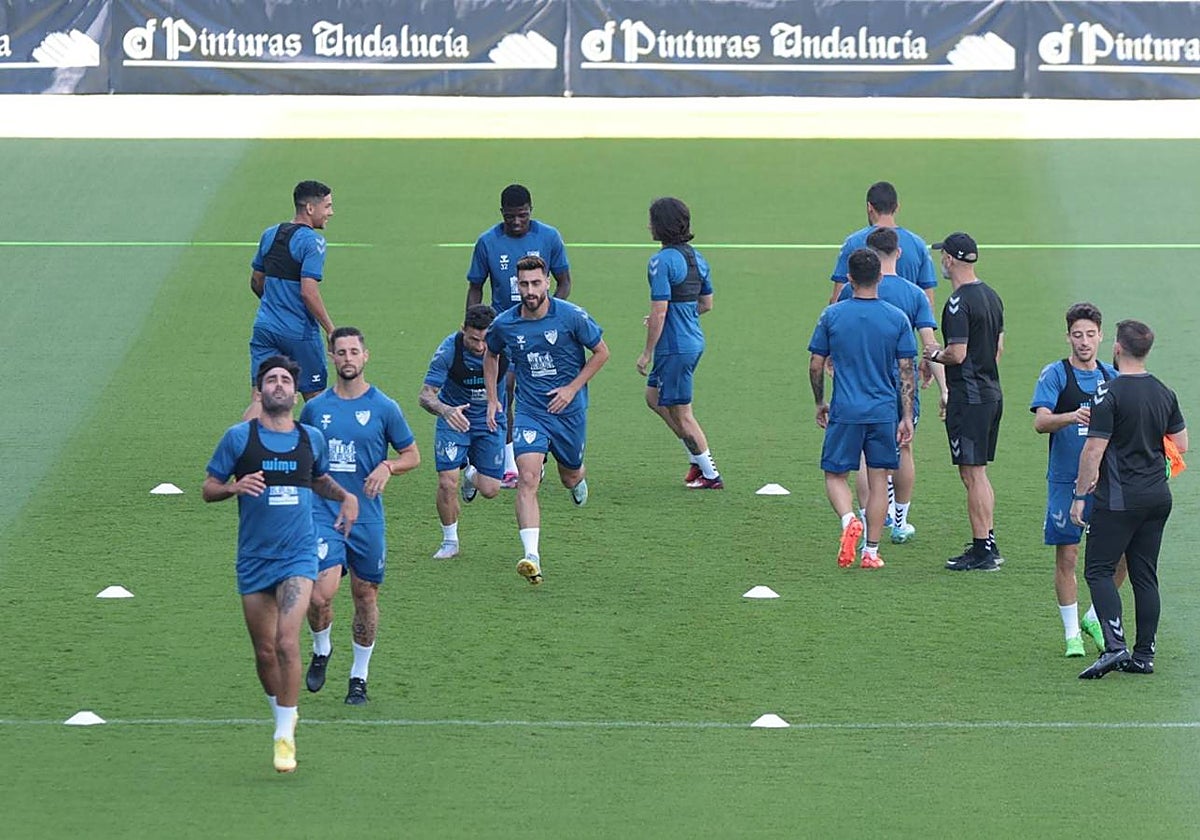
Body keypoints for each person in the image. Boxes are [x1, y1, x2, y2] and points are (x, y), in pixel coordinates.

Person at [203, 355, 359, 773]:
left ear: (293, 391)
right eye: (270, 379)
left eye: (285, 380)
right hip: (254, 560)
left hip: (298, 556)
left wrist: (345, 496)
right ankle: (282, 715)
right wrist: (234, 487)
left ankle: (284, 734)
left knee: (288, 643)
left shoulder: (310, 439)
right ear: (260, 391)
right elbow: (208, 487)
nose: (278, 385)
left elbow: (318, 478)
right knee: (265, 652)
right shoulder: (239, 439)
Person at [297, 328, 419, 706]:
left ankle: (358, 677)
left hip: (367, 519)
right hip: (324, 514)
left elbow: (412, 455)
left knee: (365, 595)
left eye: (354, 351)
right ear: (332, 359)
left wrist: (388, 466)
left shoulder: (385, 408)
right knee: (319, 595)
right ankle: (322, 648)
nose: (348, 358)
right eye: (340, 352)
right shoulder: (315, 409)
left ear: (366, 356)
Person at [484, 255, 609, 584]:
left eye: (536, 283)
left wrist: (571, 388)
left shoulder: (571, 316)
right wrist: (494, 399)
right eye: (523, 284)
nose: (530, 290)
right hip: (530, 411)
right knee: (527, 478)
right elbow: (491, 353)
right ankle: (531, 556)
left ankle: (577, 478)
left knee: (569, 475)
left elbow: (602, 352)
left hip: (569, 412)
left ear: (548, 283)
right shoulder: (505, 323)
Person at [1073, 320, 1187, 679]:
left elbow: (1093, 450)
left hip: (1120, 499)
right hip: (1157, 497)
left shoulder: (1109, 394)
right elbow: (1181, 445)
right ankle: (1144, 655)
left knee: (1098, 570)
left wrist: (1079, 495)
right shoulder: (1164, 392)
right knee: (1144, 575)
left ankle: (1114, 646)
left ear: (1117, 348)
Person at [808, 248, 916, 570]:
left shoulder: (832, 315)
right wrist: (906, 415)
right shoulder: (897, 318)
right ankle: (871, 552)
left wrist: (819, 401)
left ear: (849, 279)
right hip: (883, 411)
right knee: (880, 479)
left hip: (846, 410)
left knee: (835, 475)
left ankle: (848, 519)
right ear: (880, 277)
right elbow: (906, 370)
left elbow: (816, 365)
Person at [837, 226, 944, 541]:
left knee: (864, 455)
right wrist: (944, 385)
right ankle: (900, 522)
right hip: (900, 381)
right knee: (903, 448)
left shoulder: (850, 290)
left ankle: (867, 519)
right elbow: (930, 344)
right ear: (899, 253)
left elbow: (837, 328)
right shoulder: (914, 294)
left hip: (859, 381)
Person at [1030, 303, 1125, 657]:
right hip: (1065, 479)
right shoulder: (1056, 374)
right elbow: (1040, 422)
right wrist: (1071, 416)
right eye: (1077, 335)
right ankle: (1071, 634)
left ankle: (1093, 616)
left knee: (1122, 555)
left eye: (1090, 334)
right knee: (1067, 556)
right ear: (1068, 336)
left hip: (1107, 481)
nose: (1084, 341)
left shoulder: (1112, 378)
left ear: (1101, 336)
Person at [467, 184, 572, 487]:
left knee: (545, 390)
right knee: (507, 392)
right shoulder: (488, 242)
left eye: (522, 216)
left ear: (531, 211)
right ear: (502, 213)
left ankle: (543, 451)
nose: (516, 222)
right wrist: (473, 327)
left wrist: (554, 313)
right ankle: (513, 461)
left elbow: (564, 281)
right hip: (506, 330)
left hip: (543, 330)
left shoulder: (548, 237)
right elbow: (476, 286)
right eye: (510, 216)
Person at [924, 232, 1005, 572]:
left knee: (972, 474)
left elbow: (957, 353)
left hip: (970, 399)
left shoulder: (958, 303)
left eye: (943, 255)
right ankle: (988, 540)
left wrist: (934, 354)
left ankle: (982, 550)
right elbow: (998, 349)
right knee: (978, 473)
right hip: (990, 393)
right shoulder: (992, 296)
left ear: (951, 260)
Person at [636, 197, 722, 489]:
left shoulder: (660, 262)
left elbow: (659, 311)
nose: (648, 225)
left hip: (673, 347)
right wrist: (676, 316)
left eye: (651, 220)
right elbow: (706, 304)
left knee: (683, 414)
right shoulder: (698, 258)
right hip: (691, 340)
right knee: (653, 398)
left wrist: (647, 352)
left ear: (660, 225)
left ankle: (710, 474)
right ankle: (696, 459)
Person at [419, 305, 507, 559]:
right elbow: (425, 395)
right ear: (463, 331)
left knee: (491, 490)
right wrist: (446, 411)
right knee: (447, 483)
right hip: (454, 420)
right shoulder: (449, 350)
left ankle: (471, 472)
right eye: (473, 339)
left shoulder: (506, 346)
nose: (480, 347)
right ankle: (450, 540)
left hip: (490, 420)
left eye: (485, 340)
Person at [243, 181, 336, 421]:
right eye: (327, 206)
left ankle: (246, 451)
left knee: (261, 397)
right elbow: (308, 292)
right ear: (309, 208)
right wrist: (331, 329)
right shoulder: (312, 242)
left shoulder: (270, 234)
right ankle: (316, 454)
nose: (330, 213)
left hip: (265, 327)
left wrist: (275, 304)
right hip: (299, 333)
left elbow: (256, 280)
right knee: (316, 401)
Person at [829, 181, 937, 311]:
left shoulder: (853, 243)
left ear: (869, 207)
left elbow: (837, 300)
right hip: (904, 328)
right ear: (897, 207)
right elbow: (928, 303)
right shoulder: (918, 245)